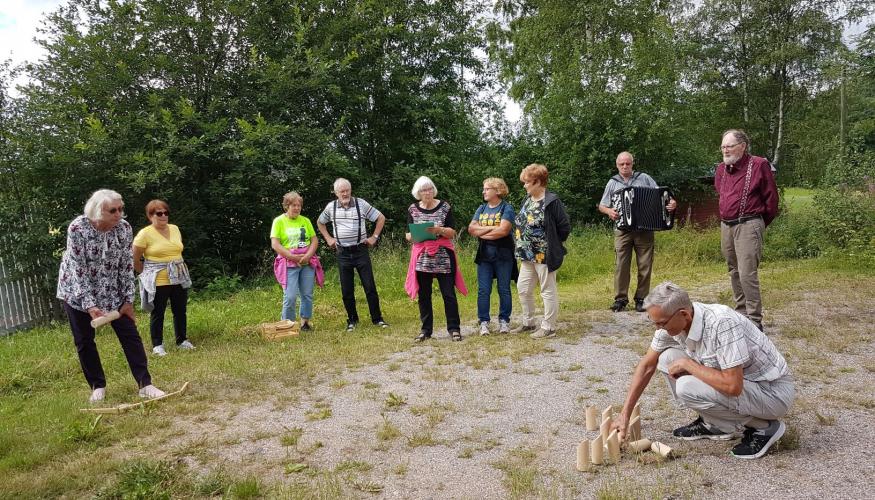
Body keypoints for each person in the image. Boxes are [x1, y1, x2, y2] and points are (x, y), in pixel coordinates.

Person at [611, 281, 794, 460]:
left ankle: (764, 427)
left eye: (662, 323)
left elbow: (733, 386)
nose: (658, 329)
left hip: (771, 392)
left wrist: (689, 365)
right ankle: (715, 425)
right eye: (654, 322)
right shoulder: (674, 322)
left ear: (684, 314)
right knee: (667, 359)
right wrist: (624, 415)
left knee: (686, 386)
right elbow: (647, 365)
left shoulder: (722, 323)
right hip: (746, 386)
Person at [56, 189, 166, 403]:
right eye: (113, 210)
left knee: (130, 336)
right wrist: (90, 305)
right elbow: (78, 270)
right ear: (97, 212)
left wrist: (127, 300)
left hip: (113, 292)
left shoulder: (124, 229)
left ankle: (145, 384)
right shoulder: (78, 228)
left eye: (120, 209)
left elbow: (126, 266)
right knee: (84, 341)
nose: (119, 214)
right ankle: (98, 386)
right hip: (78, 293)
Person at [716, 129, 779, 331]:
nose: (725, 150)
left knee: (746, 273)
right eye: (723, 146)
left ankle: (754, 320)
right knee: (733, 270)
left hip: (749, 223)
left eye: (729, 146)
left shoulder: (759, 164)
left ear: (742, 146)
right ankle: (741, 314)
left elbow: (772, 199)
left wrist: (757, 225)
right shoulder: (721, 169)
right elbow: (721, 193)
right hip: (726, 225)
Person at [598, 152, 677, 313]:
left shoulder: (645, 178)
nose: (625, 166)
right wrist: (609, 212)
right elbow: (602, 205)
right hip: (622, 230)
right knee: (621, 265)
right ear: (617, 165)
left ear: (632, 163)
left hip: (644, 229)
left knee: (645, 265)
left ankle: (641, 299)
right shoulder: (612, 183)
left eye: (628, 163)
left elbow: (662, 195)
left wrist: (672, 203)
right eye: (622, 164)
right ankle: (620, 299)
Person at [317, 178, 389, 332]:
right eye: (341, 191)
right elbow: (320, 222)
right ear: (336, 193)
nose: (345, 193)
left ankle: (377, 319)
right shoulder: (331, 207)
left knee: (369, 286)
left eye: (347, 190)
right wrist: (329, 238)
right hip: (343, 253)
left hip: (360, 250)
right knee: (347, 290)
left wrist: (374, 237)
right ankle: (352, 320)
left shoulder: (360, 204)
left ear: (350, 190)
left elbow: (380, 218)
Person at [404, 176, 467, 342]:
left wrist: (439, 229)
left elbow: (452, 232)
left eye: (430, 188)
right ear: (418, 192)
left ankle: (454, 329)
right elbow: (408, 234)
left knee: (448, 294)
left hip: (443, 256)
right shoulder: (412, 209)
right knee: (424, 295)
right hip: (422, 257)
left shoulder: (444, 207)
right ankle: (426, 330)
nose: (427, 192)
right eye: (424, 190)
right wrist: (415, 236)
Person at [511, 164, 570, 339]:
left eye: (527, 182)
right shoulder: (527, 199)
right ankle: (528, 322)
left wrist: (552, 243)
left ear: (538, 182)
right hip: (526, 254)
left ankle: (549, 327)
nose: (524, 185)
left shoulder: (551, 201)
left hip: (544, 254)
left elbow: (564, 226)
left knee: (547, 290)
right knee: (523, 289)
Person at [133, 200, 194, 356]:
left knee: (180, 310)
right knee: (158, 312)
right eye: (159, 213)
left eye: (166, 212)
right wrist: (144, 273)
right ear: (150, 216)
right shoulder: (145, 234)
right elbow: (135, 258)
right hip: (158, 280)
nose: (163, 216)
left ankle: (182, 340)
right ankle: (157, 345)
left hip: (178, 276)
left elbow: (178, 250)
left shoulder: (174, 229)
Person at [467, 177, 516, 335]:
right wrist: (492, 230)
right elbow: (471, 229)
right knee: (483, 290)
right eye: (484, 188)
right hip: (484, 255)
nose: (484, 191)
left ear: (497, 190)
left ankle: (504, 321)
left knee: (504, 289)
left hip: (503, 254)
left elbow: (503, 231)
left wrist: (482, 232)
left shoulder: (506, 208)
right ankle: (484, 322)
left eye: (487, 189)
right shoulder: (481, 208)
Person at [270, 192, 322, 331]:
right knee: (291, 296)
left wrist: (307, 256)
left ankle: (305, 323)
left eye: (299, 205)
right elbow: (275, 244)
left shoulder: (305, 220)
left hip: (307, 262)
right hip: (289, 263)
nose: (297, 208)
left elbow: (314, 240)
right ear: (287, 206)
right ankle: (288, 325)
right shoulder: (279, 221)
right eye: (294, 205)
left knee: (307, 294)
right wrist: (293, 258)